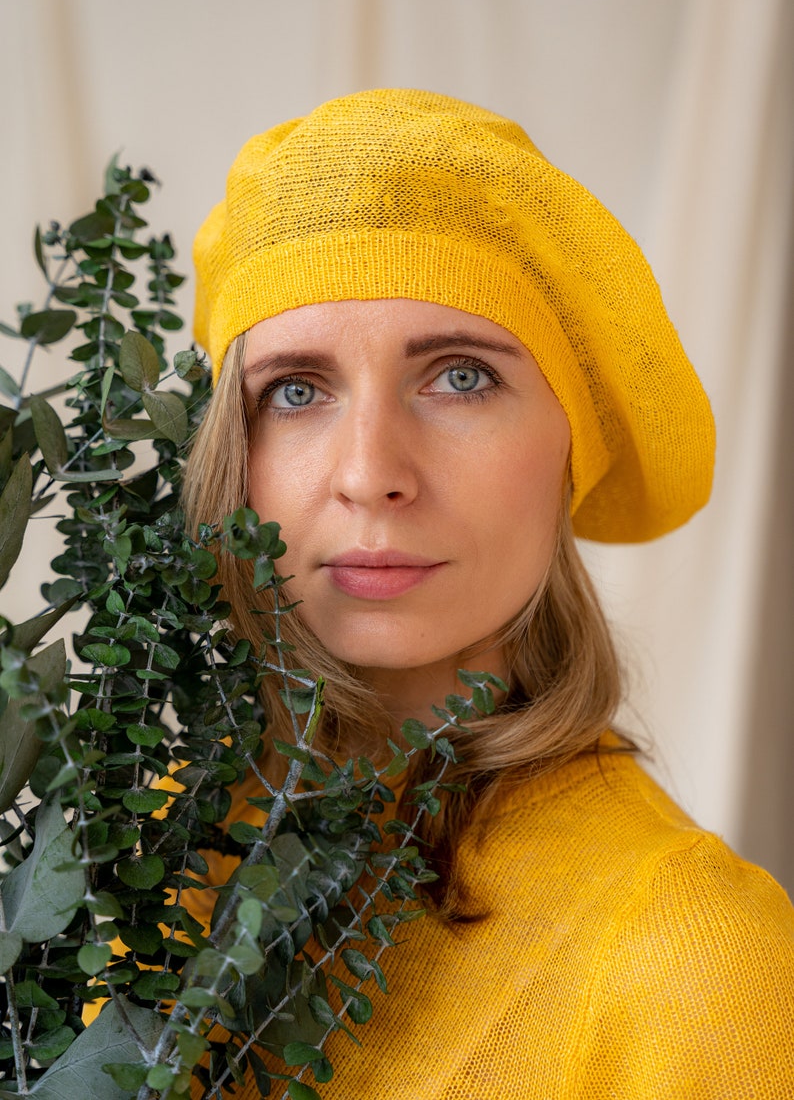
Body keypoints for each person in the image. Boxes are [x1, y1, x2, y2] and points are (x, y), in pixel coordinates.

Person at [183, 89, 794, 1098]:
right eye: (295, 390)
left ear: (572, 448)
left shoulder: (698, 964)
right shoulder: (144, 848)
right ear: (231, 461)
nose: (369, 471)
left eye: (460, 376)